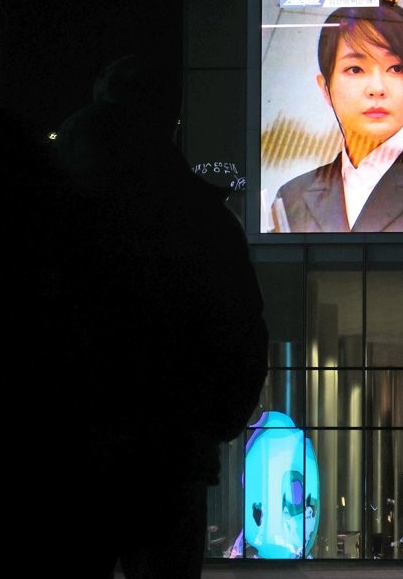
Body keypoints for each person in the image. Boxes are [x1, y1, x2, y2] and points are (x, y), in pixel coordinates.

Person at [53, 53, 269, 578]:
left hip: (66, 456)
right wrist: (211, 424)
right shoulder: (200, 218)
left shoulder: (53, 207)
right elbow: (242, 333)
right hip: (171, 455)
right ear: (170, 119)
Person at [270, 0, 403, 232]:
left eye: (396, 68)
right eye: (355, 69)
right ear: (325, 88)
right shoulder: (292, 198)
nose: (377, 88)